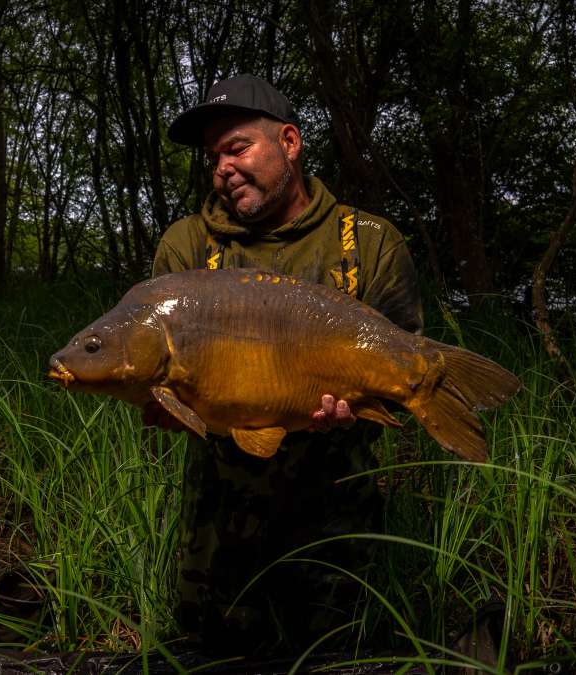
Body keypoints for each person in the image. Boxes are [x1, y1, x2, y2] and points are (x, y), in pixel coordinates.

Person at [150, 74, 423, 655]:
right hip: (219, 527)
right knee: (209, 659)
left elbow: (402, 367)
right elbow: (165, 390)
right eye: (213, 156)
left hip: (339, 511)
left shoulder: (370, 242)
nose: (222, 167)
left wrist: (367, 401)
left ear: (291, 142)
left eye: (238, 147)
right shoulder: (187, 247)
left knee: (340, 658)